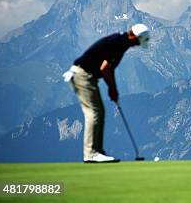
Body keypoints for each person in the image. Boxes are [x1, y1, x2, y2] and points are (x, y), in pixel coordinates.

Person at [63, 24, 150, 163]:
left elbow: (109, 69)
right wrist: (112, 89)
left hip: (87, 76)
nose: (137, 45)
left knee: (100, 112)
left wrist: (113, 88)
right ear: (134, 36)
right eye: (138, 42)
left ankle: (97, 151)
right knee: (94, 112)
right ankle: (91, 153)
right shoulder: (119, 43)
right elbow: (104, 69)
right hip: (83, 75)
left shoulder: (121, 42)